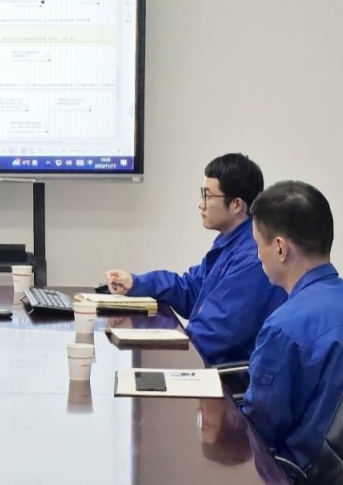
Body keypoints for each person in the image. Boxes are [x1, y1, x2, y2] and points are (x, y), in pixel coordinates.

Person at [242, 180, 343, 469]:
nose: (257, 255)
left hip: (295, 480)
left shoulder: (283, 328)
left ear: (280, 248)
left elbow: (258, 431)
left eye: (258, 245)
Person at [104, 153, 286, 365]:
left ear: (237, 204)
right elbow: (191, 290)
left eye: (207, 195)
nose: (201, 204)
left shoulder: (252, 259)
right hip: (208, 361)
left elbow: (212, 334)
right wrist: (136, 283)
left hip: (227, 376)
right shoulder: (231, 242)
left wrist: (149, 340)